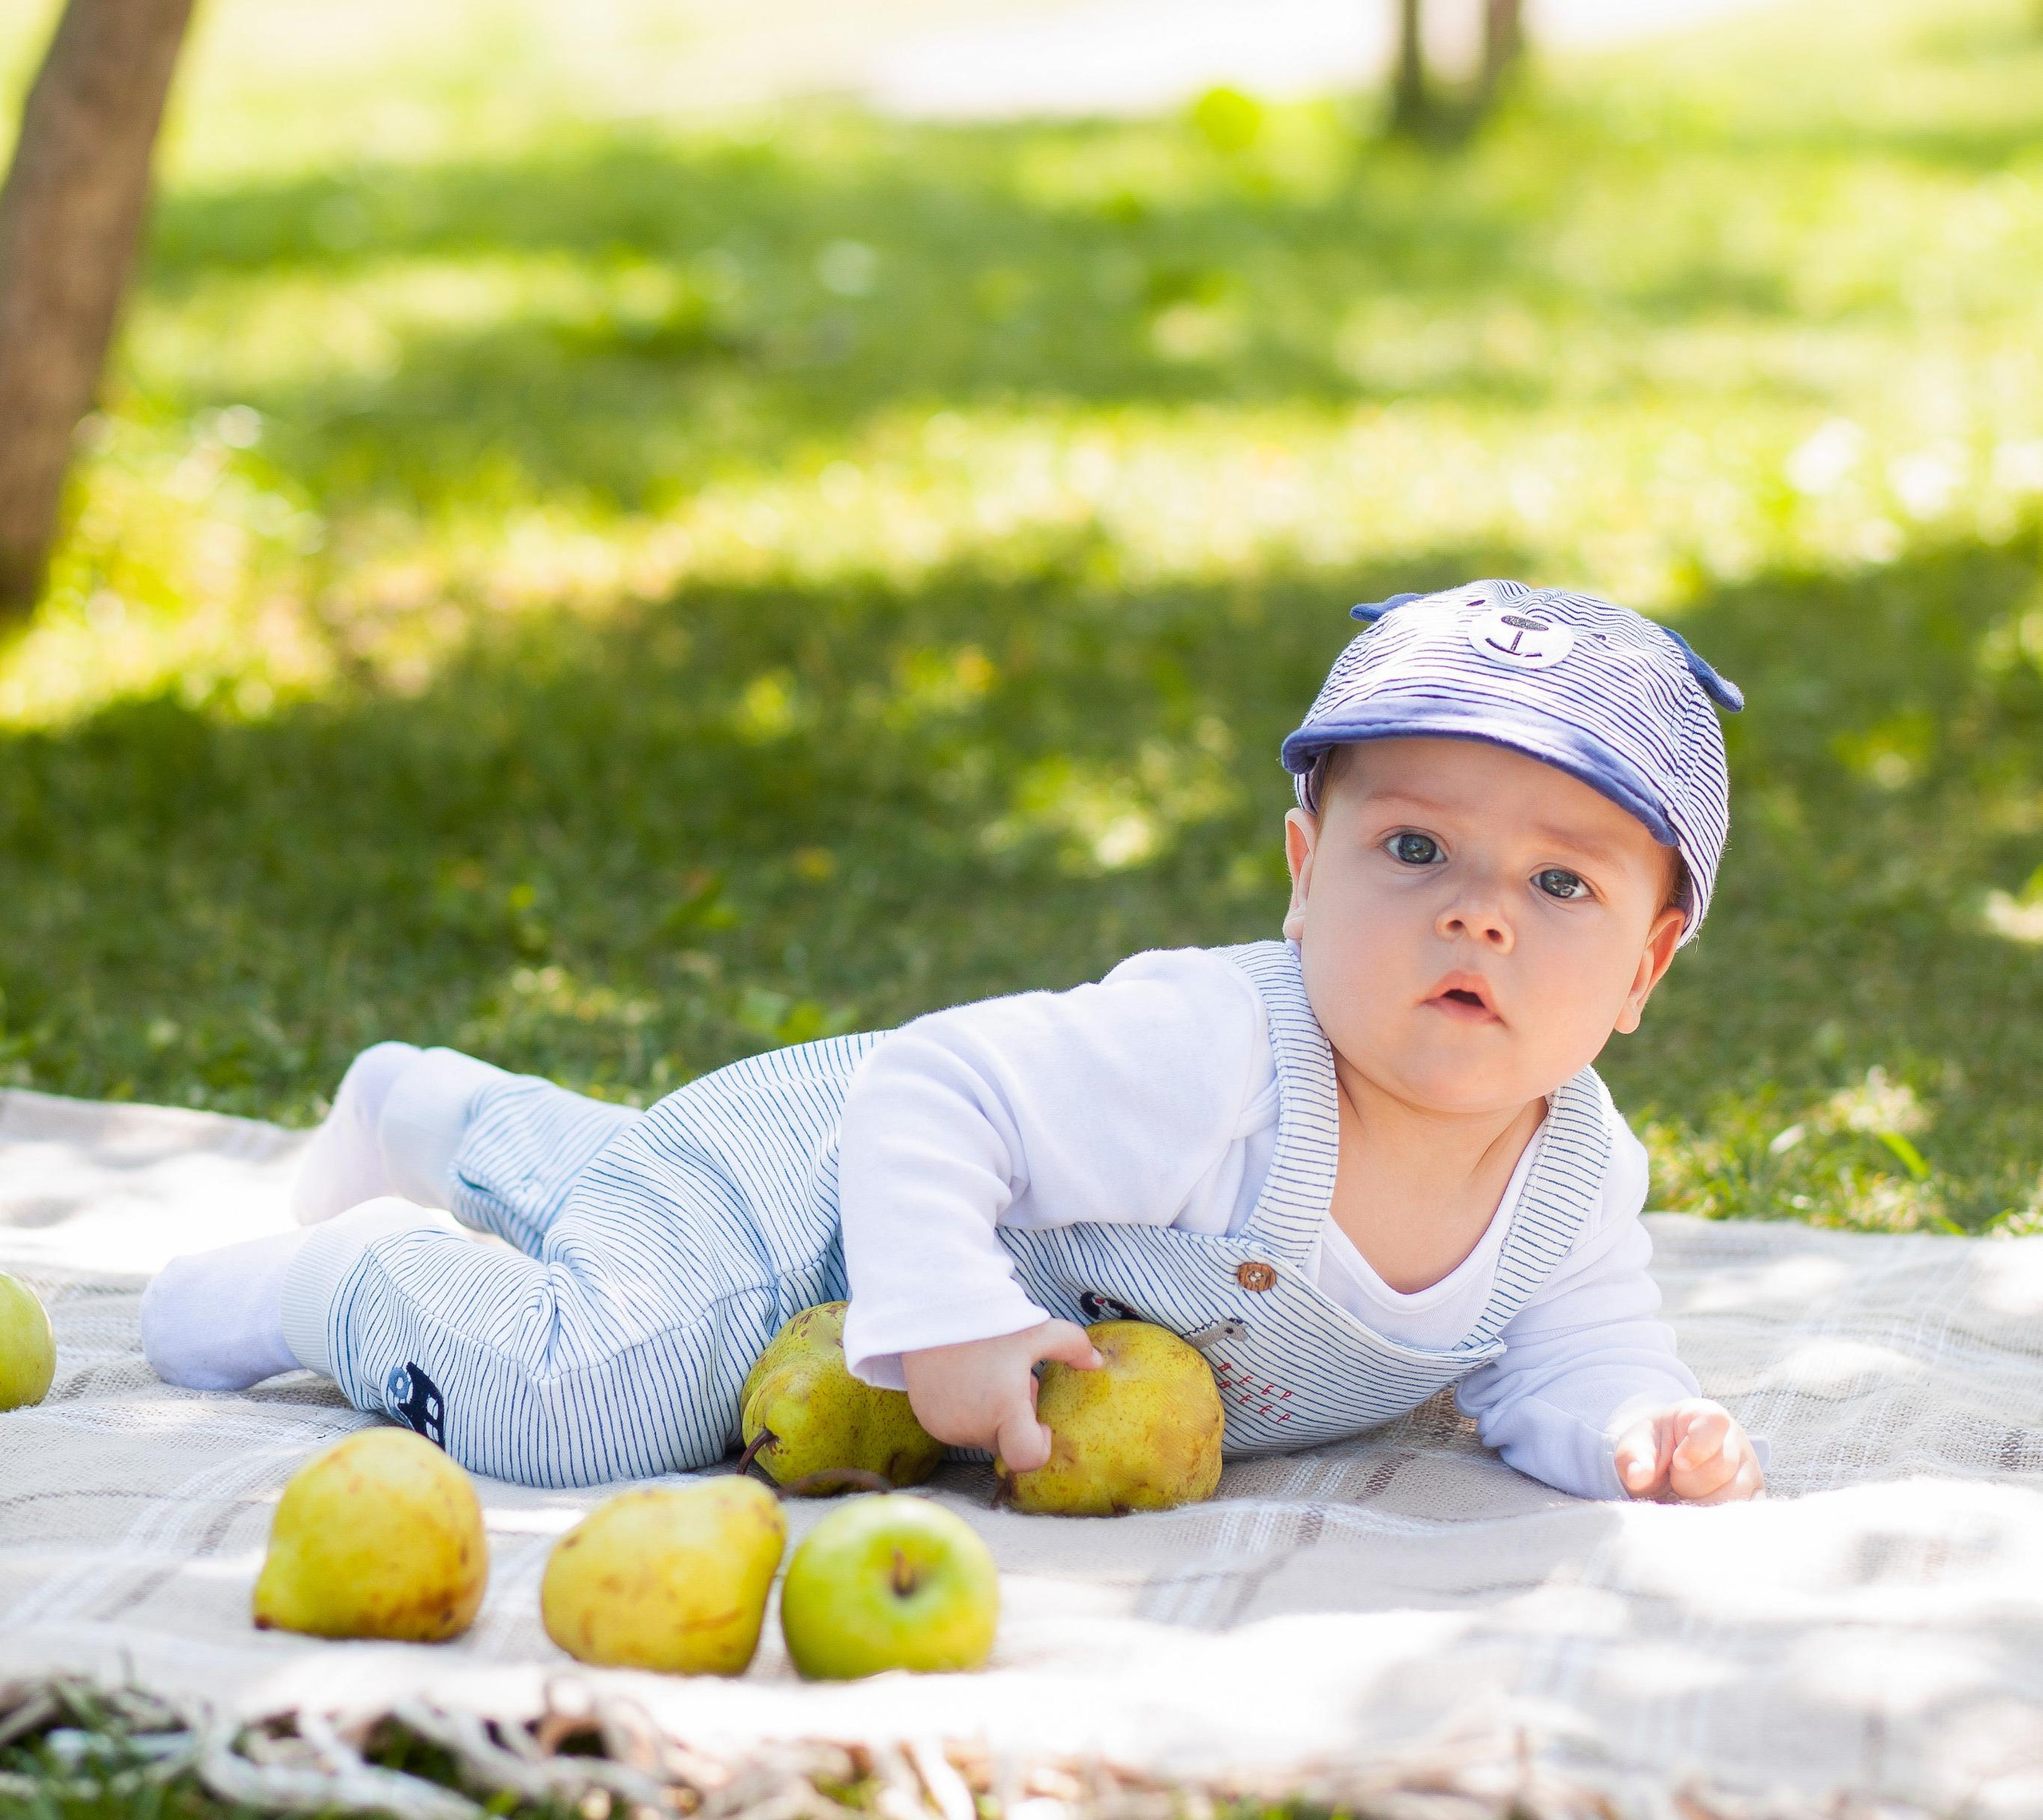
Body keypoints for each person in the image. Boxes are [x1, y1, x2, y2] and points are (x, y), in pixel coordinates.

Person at [140, 580, 1765, 1507]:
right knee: (592, 1402)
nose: (1474, 913)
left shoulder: (1573, 1176)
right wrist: (946, 1313)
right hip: (816, 1203)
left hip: (837, 1245)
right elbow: (927, 1085)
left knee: (634, 1210)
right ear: (1300, 875)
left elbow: (1570, 1355)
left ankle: (445, 1112)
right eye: (1412, 851)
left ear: (1646, 965)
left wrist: (1636, 1431)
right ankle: (332, 1272)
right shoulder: (1212, 1055)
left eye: (1557, 883)